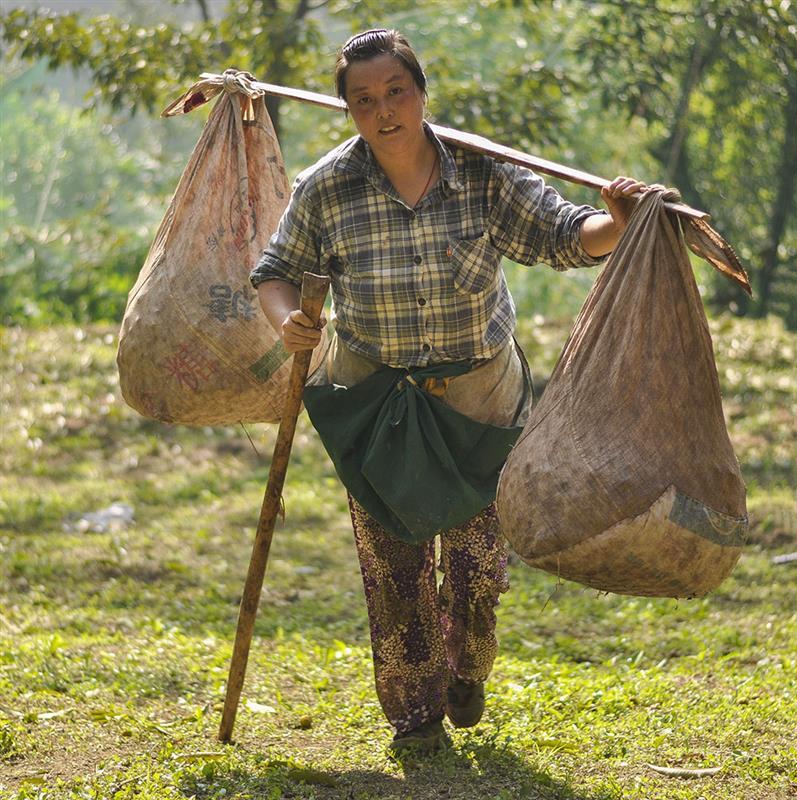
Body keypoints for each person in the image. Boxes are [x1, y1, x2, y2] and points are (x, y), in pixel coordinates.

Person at [250, 28, 646, 753]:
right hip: (376, 404)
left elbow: (561, 234)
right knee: (394, 563)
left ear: (421, 93)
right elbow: (275, 270)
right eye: (363, 100)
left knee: (476, 567)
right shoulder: (327, 188)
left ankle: (466, 670)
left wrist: (614, 225)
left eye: (396, 92)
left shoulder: (485, 174)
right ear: (348, 111)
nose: (384, 110)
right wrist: (289, 325)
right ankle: (415, 717)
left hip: (479, 402)